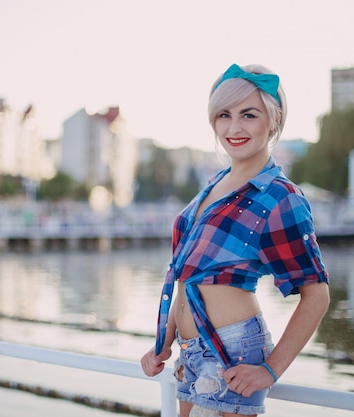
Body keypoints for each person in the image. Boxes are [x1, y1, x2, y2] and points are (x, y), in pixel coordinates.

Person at [140, 64, 330, 417]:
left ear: (274, 119)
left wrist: (270, 370)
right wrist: (163, 343)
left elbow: (316, 294)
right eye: (224, 115)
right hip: (191, 349)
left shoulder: (279, 196)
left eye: (249, 114)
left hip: (233, 350)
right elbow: (189, 278)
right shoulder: (214, 184)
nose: (234, 127)